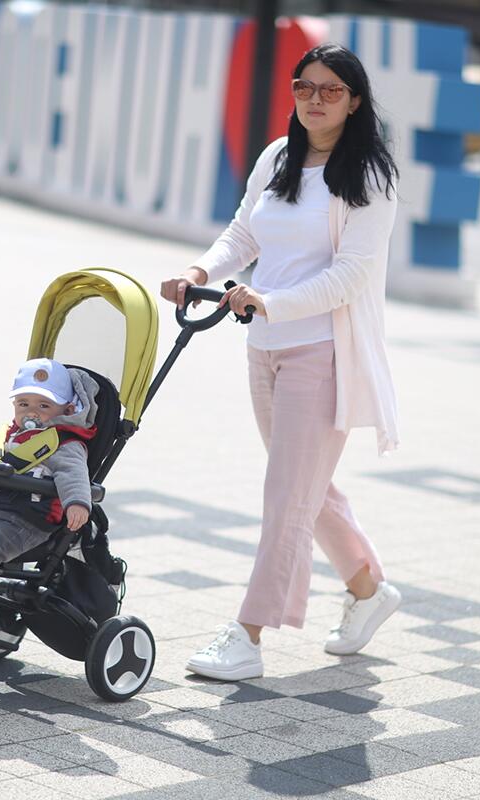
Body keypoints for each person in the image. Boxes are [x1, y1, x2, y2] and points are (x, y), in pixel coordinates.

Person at [161, 43, 402, 681]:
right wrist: (198, 271)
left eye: (329, 90)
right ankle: (370, 589)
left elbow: (350, 275)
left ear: (354, 101)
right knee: (305, 487)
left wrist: (270, 301)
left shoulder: (370, 178)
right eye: (304, 87)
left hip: (323, 353)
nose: (314, 100)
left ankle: (249, 634)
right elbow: (243, 233)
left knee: (286, 496)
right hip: (263, 348)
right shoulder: (277, 156)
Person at [0, 358, 98, 648]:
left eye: (44, 405)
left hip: (25, 522)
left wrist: (78, 503)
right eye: (23, 404)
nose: (31, 411)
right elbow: (5, 461)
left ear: (68, 410)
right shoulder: (17, 434)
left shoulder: (64, 444)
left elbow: (74, 475)